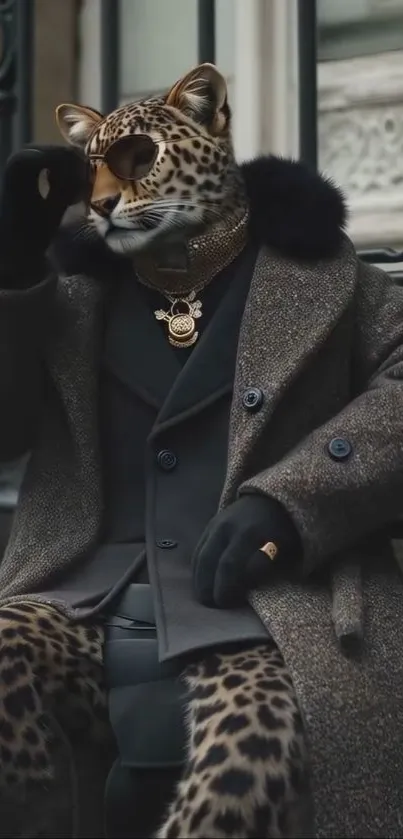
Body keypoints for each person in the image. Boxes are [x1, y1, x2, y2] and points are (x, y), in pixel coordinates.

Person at [0, 61, 403, 838]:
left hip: (278, 611)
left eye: (139, 160)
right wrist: (12, 273)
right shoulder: (70, 298)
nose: (108, 193)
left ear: (210, 130)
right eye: (96, 171)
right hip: (76, 599)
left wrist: (294, 498)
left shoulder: (320, 278)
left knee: (253, 763)